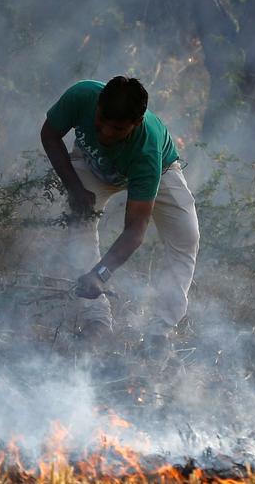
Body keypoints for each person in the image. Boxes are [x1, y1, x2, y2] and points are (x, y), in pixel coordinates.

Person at [40, 76, 199, 364]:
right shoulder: (82, 95)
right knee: (79, 223)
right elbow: (49, 135)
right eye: (100, 121)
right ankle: (96, 322)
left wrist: (100, 273)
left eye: (117, 129)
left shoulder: (146, 152)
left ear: (136, 123)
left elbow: (135, 231)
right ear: (97, 105)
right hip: (95, 165)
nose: (105, 133)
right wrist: (75, 189)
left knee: (186, 236)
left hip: (159, 173)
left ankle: (159, 333)